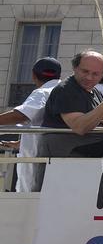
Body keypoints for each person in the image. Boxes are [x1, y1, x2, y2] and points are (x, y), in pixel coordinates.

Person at [38, 50, 103, 159]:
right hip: (66, 161)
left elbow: (97, 119)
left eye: (95, 74)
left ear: (102, 75)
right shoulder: (66, 90)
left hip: (87, 159)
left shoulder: (95, 92)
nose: (89, 77)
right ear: (75, 68)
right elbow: (80, 127)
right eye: (85, 71)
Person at [0, 57, 62, 191]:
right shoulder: (64, 91)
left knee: (29, 201)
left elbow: (21, 115)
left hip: (36, 160)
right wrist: (19, 144)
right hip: (57, 158)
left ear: (33, 75)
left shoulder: (42, 92)